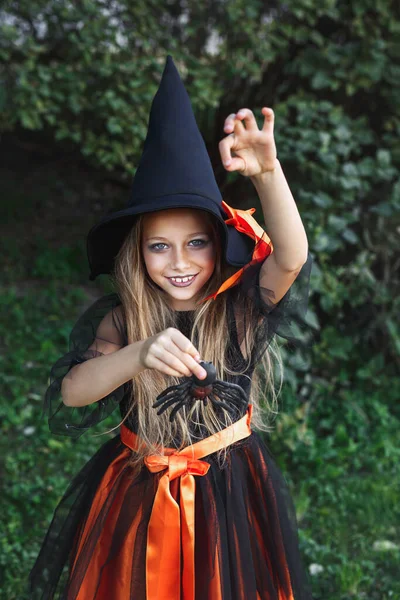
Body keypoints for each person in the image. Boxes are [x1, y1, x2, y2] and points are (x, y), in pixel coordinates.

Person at [28, 55, 314, 599]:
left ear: (218, 243)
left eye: (196, 243)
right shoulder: (125, 316)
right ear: (138, 252)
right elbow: (73, 392)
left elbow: (291, 255)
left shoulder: (240, 304)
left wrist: (269, 175)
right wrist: (137, 354)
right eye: (160, 246)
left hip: (229, 488)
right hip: (137, 487)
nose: (179, 262)